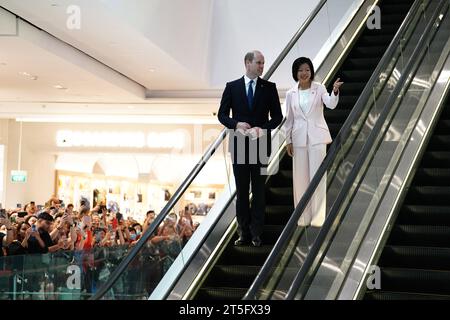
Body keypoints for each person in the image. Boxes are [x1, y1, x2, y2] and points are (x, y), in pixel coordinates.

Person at [218, 50, 282, 247]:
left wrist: (262, 128)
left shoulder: (269, 88)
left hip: (260, 146)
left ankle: (256, 234)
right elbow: (222, 115)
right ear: (247, 63)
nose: (262, 66)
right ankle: (243, 233)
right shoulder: (232, 87)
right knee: (242, 192)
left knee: (259, 192)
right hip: (238, 146)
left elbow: (278, 117)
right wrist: (236, 124)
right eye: (259, 63)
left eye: (263, 63)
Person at [283, 57, 343, 227]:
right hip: (298, 139)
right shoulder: (290, 93)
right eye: (300, 70)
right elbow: (289, 119)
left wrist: (335, 91)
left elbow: (331, 104)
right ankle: (302, 218)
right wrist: (288, 141)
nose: (304, 73)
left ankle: (317, 219)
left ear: (311, 72)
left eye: (307, 70)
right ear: (296, 73)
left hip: (317, 138)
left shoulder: (320, 88)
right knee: (300, 179)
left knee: (317, 178)